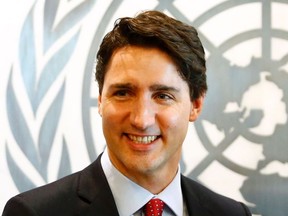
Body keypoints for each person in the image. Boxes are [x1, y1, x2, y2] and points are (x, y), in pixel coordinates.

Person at [2, 10, 251, 216]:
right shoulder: (32, 213)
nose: (141, 120)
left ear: (195, 104)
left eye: (163, 96)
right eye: (122, 93)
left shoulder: (232, 214)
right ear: (100, 99)